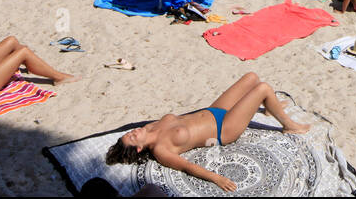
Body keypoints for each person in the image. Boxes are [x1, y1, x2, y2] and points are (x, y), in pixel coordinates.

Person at [104, 73, 310, 192]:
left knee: (251, 77)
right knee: (264, 88)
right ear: (139, 148)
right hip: (224, 129)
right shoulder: (161, 149)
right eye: (132, 136)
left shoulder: (149, 128)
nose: (134, 131)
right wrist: (217, 178)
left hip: (214, 111)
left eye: (130, 132)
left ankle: (266, 108)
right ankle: (289, 124)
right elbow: (187, 166)